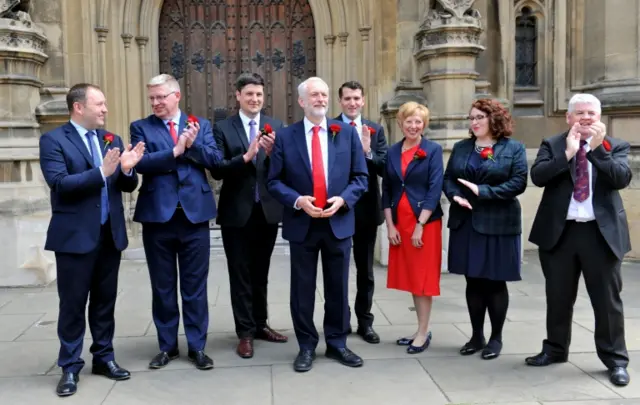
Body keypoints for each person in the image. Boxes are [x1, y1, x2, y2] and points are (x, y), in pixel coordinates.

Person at [39, 83, 144, 396]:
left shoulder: (110, 139)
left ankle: (104, 357)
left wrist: (125, 170)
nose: (105, 110)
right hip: (74, 238)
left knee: (104, 302)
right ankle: (70, 366)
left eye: (105, 104)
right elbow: (59, 183)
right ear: (78, 107)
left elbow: (126, 186)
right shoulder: (53, 140)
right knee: (72, 305)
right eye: (99, 104)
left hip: (108, 235)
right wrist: (101, 172)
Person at [526, 93, 632, 387]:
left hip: (601, 235)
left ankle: (615, 360)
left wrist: (597, 152)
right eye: (580, 113)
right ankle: (555, 349)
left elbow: (621, 179)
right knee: (558, 297)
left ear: (600, 118)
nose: (586, 118)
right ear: (569, 117)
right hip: (561, 234)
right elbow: (539, 176)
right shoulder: (553, 144)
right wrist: (568, 154)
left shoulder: (615, 145)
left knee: (607, 302)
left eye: (592, 113)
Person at [267, 77, 368, 372]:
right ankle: (307, 346)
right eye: (314, 95)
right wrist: (298, 200)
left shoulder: (346, 134)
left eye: (324, 94)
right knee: (302, 289)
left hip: (338, 222)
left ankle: (337, 343)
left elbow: (360, 178)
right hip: (303, 224)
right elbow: (274, 181)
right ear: (301, 101)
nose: (321, 99)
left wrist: (344, 201)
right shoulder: (287, 137)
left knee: (338, 287)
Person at [130, 74, 222, 371]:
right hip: (158, 216)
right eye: (152, 98)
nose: (156, 103)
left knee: (195, 286)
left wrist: (192, 146)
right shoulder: (141, 127)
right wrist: (174, 151)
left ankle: (197, 347)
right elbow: (140, 163)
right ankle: (167, 346)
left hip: (194, 217)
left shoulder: (201, 125)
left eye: (161, 97)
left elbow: (214, 161)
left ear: (176, 96)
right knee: (163, 286)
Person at [443, 98, 527, 360]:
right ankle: (476, 335)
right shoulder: (461, 147)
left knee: (495, 281)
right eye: (471, 118)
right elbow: (448, 178)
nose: (474, 122)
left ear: (494, 119)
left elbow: (518, 183)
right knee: (473, 280)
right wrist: (455, 195)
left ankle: (496, 338)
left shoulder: (513, 148)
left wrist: (483, 191)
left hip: (499, 223)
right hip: (466, 222)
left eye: (480, 117)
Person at [211, 73, 287, 359]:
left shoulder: (277, 127)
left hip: (266, 212)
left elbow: (285, 168)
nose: (254, 99)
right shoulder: (222, 128)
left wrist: (274, 153)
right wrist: (245, 157)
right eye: (249, 94)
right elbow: (216, 168)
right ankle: (244, 333)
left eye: (259, 95)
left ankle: (260, 324)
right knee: (240, 273)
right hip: (236, 213)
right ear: (238, 96)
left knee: (261, 273)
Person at [382, 101, 443, 354]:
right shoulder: (393, 151)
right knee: (411, 279)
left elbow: (434, 188)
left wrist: (420, 224)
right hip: (400, 224)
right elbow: (386, 189)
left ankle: (422, 332)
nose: (414, 126)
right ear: (401, 123)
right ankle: (419, 328)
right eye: (409, 121)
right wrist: (390, 225)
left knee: (422, 280)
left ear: (424, 124)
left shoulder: (433, 150)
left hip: (424, 225)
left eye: (419, 121)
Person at [335, 80, 387, 343]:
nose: (352, 103)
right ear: (340, 101)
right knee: (339, 269)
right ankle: (340, 321)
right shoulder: (330, 128)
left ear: (363, 101)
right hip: (339, 209)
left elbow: (383, 167)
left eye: (356, 98)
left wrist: (367, 152)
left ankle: (365, 322)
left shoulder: (375, 130)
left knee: (365, 270)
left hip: (366, 210)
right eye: (347, 99)